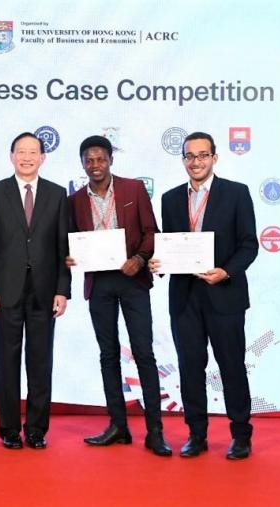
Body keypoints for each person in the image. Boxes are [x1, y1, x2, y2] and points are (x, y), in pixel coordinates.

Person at [149, 131, 258, 460]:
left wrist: (225, 271)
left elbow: (248, 245)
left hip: (224, 294)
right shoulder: (169, 199)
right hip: (184, 298)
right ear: (183, 160)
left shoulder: (236, 194)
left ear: (214, 158)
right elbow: (170, 245)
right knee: (190, 366)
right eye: (190, 156)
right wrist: (159, 263)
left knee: (231, 366)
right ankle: (197, 434)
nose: (195, 162)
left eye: (202, 155)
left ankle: (241, 434)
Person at [66, 135, 171, 456]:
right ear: (82, 164)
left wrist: (138, 258)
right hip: (99, 284)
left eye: (100, 159)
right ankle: (118, 426)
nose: (95, 165)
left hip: (133, 280)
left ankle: (155, 431)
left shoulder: (133, 189)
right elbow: (71, 240)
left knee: (143, 352)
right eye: (89, 160)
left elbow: (152, 231)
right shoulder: (74, 201)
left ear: (111, 159)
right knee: (108, 354)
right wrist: (69, 256)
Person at [0, 132, 70, 450]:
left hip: (45, 292)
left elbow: (62, 247)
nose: (27, 157)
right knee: (7, 360)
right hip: (4, 291)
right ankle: (8, 428)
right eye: (21, 152)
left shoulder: (58, 195)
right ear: (11, 156)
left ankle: (36, 428)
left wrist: (63, 289)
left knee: (41, 361)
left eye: (33, 152)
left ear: (43, 157)